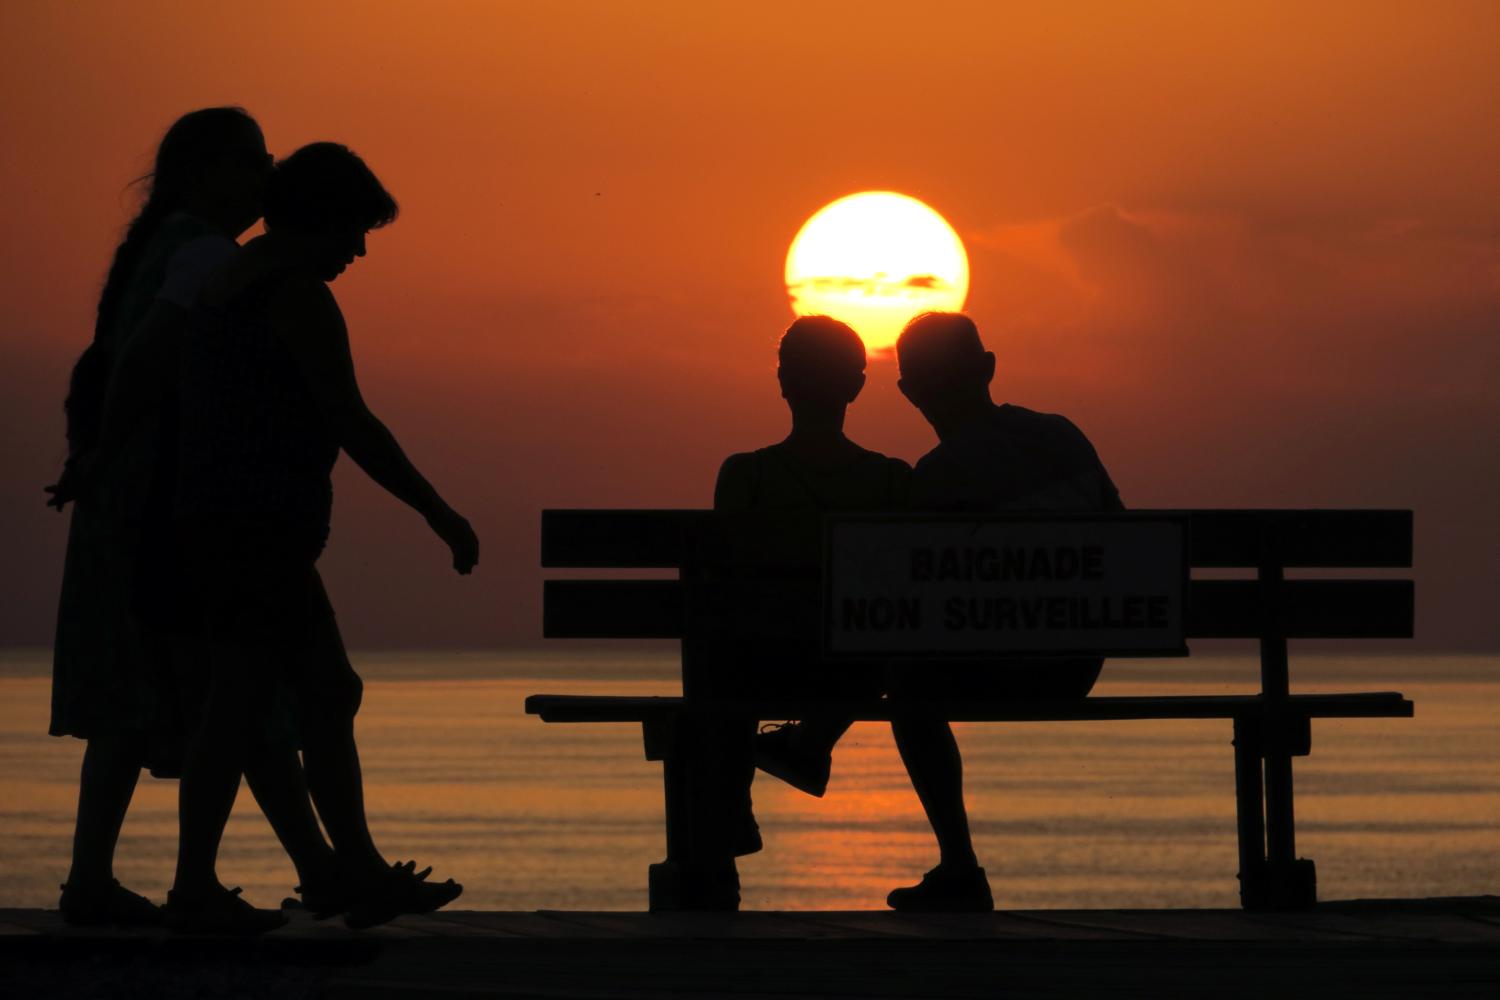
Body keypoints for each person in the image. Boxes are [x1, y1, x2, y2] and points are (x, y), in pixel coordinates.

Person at [165, 143, 478, 932]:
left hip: (230, 525)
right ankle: (201, 884)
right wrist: (437, 511)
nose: (360, 250)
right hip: (254, 533)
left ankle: (349, 871)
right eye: (353, 230)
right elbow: (351, 420)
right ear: (321, 220)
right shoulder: (294, 294)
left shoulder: (229, 280)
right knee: (241, 702)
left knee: (317, 693)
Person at [46, 107, 276, 925]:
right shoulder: (209, 254)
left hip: (124, 491)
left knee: (127, 695)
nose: (264, 176)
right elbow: (145, 361)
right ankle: (194, 884)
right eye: (250, 161)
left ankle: (91, 878)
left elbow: (104, 361)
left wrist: (90, 453)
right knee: (211, 690)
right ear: (203, 170)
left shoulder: (158, 245)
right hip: (159, 496)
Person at [881, 311, 1123, 911]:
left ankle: (960, 866)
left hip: (1000, 667)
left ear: (910, 392)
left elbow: (914, 600)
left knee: (905, 688)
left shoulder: (937, 477)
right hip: (1076, 664)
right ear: (988, 368)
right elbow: (1125, 540)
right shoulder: (1063, 435)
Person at [693, 316, 910, 907]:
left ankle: (729, 824)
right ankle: (812, 741)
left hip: (754, 668)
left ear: (783, 383)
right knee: (878, 635)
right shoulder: (892, 481)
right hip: (853, 674)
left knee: (721, 652)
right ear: (856, 386)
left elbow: (718, 591)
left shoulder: (746, 476)